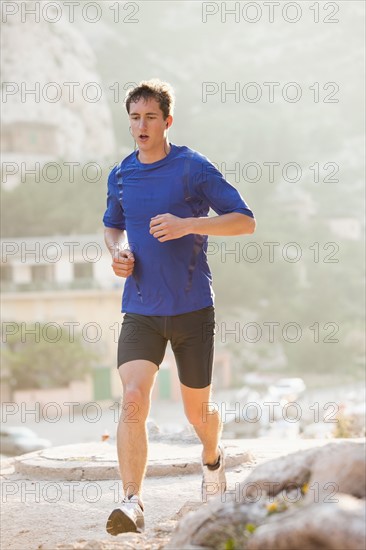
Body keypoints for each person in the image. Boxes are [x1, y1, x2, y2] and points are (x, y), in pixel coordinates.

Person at [103, 79, 256, 536]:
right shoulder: (121, 174)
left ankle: (212, 459)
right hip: (142, 308)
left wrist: (189, 223)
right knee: (133, 398)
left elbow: (244, 222)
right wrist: (119, 252)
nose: (142, 125)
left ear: (167, 121)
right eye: (135, 117)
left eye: (151, 117)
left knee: (197, 414)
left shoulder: (192, 167)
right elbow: (112, 226)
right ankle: (132, 501)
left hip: (191, 308)